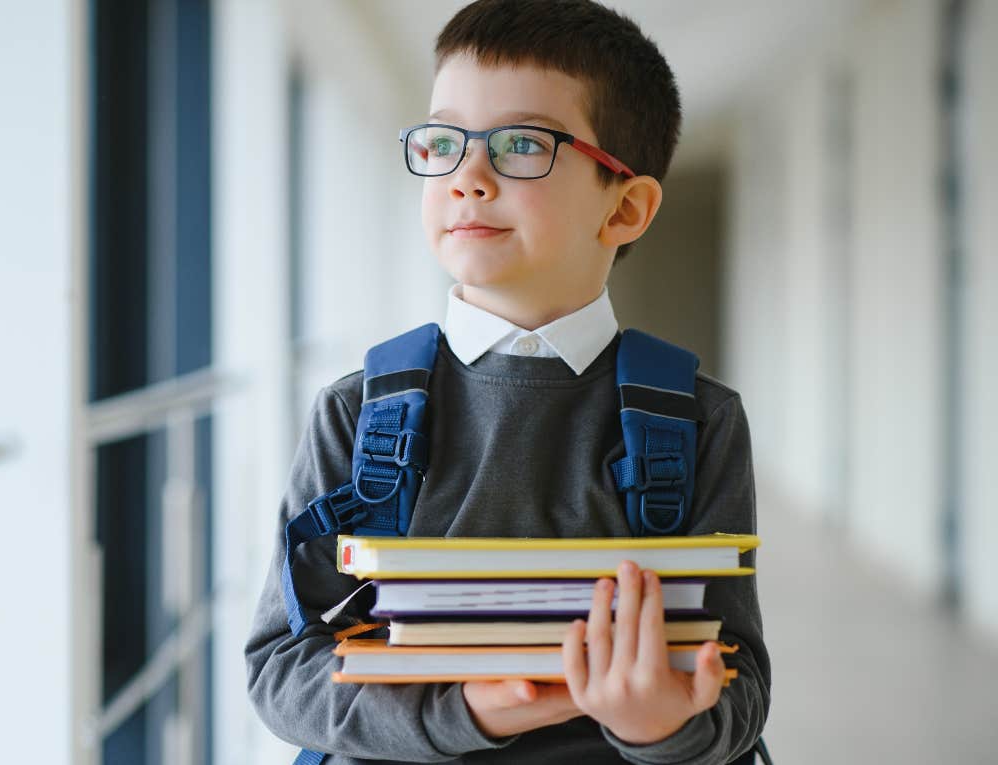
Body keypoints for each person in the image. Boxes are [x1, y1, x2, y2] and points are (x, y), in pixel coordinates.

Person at [244, 1, 770, 762]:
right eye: (443, 140)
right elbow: (280, 667)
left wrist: (660, 724)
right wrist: (465, 712)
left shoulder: (697, 421)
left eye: (522, 144)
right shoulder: (358, 413)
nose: (468, 177)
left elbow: (741, 682)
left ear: (625, 207)